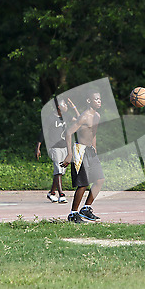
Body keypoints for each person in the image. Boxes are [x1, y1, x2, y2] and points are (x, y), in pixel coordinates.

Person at [61, 90, 105, 223]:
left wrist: (94, 147)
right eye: (96, 99)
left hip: (90, 151)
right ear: (89, 101)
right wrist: (69, 154)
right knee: (83, 184)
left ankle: (86, 209)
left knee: (99, 180)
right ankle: (73, 214)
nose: (99, 101)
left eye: (100, 99)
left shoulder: (97, 115)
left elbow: (93, 133)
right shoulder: (84, 116)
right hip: (80, 151)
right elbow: (68, 132)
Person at [35, 97, 79, 204]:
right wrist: (38, 148)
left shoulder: (66, 116)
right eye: (65, 105)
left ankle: (51, 193)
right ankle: (61, 194)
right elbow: (42, 133)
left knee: (60, 172)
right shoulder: (50, 118)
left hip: (65, 147)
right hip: (54, 147)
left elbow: (79, 119)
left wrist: (74, 107)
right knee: (58, 170)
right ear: (59, 107)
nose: (67, 107)